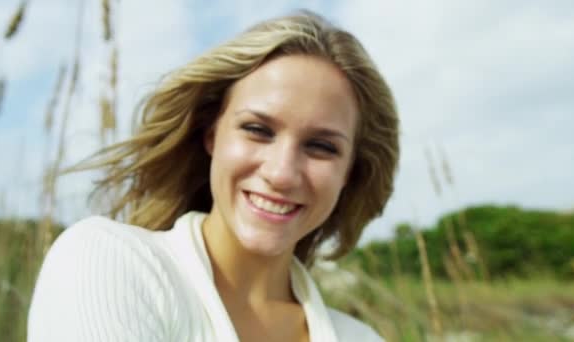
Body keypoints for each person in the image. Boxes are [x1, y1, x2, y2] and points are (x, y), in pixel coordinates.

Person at [28, 10, 399, 342]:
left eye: (321, 146)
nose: (282, 173)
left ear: (349, 171)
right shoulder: (108, 265)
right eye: (257, 129)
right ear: (211, 133)